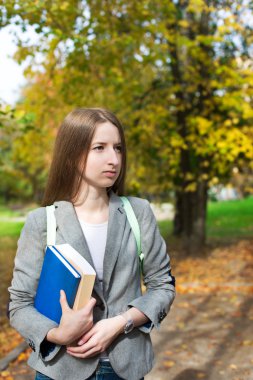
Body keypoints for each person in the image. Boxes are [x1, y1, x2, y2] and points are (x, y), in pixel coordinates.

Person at [8, 108, 176, 380]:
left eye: (118, 148)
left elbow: (163, 285)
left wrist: (122, 323)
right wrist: (57, 334)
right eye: (100, 147)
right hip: (59, 370)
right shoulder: (42, 222)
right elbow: (19, 304)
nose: (114, 159)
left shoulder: (138, 212)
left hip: (124, 368)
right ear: (73, 154)